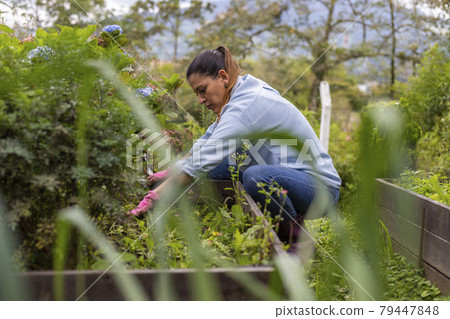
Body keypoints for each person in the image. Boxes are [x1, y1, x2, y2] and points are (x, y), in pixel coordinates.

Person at [127, 46, 341, 251]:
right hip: (288, 174)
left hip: (319, 187)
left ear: (223, 76)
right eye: (197, 94)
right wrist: (172, 171)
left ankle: (297, 242)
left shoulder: (246, 105)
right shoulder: (240, 93)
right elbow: (208, 141)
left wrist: (156, 196)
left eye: (203, 90)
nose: (201, 100)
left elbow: (205, 158)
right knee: (222, 164)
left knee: (256, 177)